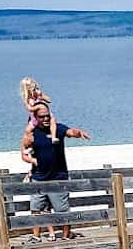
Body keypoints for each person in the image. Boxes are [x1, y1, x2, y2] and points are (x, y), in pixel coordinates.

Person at [20, 103, 90, 242]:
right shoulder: (31, 133)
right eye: (42, 117)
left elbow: (70, 132)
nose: (45, 119)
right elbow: (24, 153)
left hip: (58, 177)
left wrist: (78, 133)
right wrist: (32, 160)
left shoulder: (57, 128)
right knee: (36, 209)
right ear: (35, 118)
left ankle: (65, 236)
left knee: (62, 209)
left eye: (47, 116)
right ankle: (36, 236)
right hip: (38, 177)